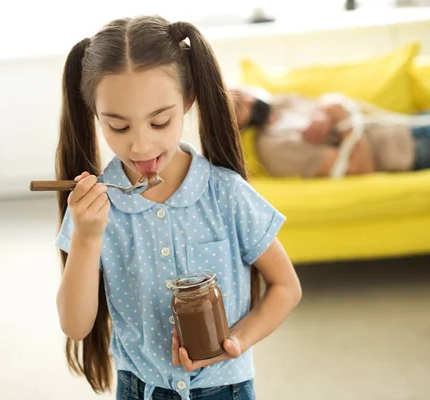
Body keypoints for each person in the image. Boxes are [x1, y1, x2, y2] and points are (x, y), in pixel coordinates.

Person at [53, 15, 302, 400]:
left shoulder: (226, 194)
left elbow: (286, 286)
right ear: (95, 114)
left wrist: (237, 340)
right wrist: (86, 237)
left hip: (226, 388)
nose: (140, 146)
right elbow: (75, 325)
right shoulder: (95, 208)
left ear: (187, 101)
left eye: (160, 122)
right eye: (118, 127)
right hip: (140, 390)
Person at [230, 86, 430, 178]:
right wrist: (344, 121)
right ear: (236, 124)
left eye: (243, 93)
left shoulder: (283, 103)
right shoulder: (275, 149)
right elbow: (360, 166)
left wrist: (328, 109)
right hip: (413, 149)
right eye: (239, 106)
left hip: (408, 123)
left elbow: (332, 101)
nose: (250, 101)